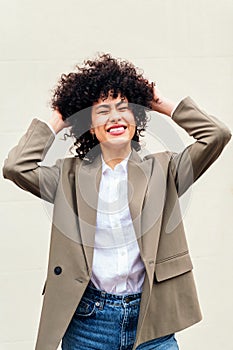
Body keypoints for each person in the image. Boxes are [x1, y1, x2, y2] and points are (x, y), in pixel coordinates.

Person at [2, 53, 231, 350]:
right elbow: (15, 167)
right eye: (102, 111)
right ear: (89, 126)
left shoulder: (165, 170)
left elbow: (216, 135)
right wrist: (58, 119)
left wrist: (161, 103)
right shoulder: (67, 178)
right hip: (88, 324)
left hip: (151, 323)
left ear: (136, 117)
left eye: (124, 107)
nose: (115, 117)